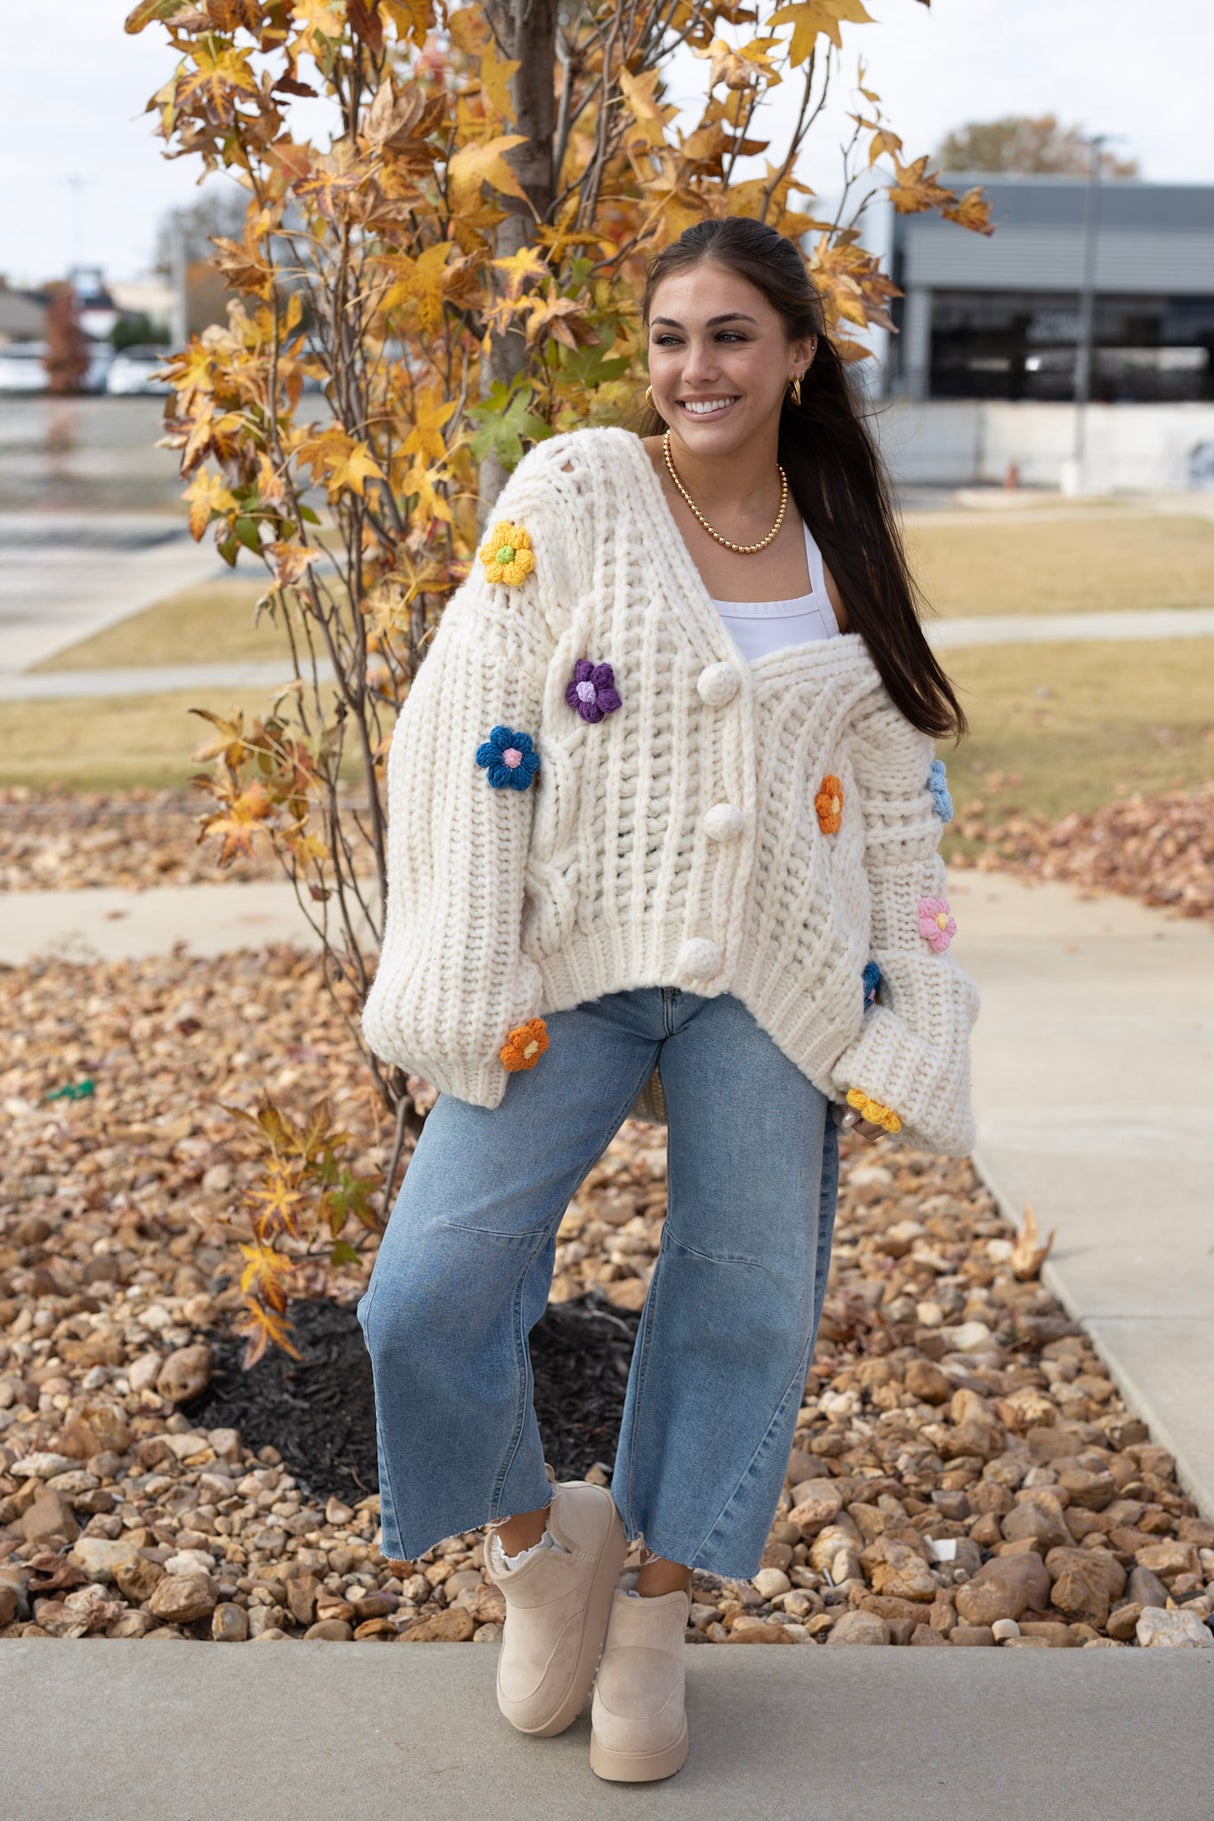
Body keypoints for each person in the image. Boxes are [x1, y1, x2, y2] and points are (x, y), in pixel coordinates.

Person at [356, 215, 980, 1782]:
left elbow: (896, 809)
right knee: (423, 1294)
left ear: (796, 355)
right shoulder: (576, 490)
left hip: (773, 982)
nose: (693, 368)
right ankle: (540, 1547)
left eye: (729, 336)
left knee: (745, 1292)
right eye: (668, 338)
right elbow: (462, 720)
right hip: (568, 964)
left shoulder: (839, 543)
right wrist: (462, 960)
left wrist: (916, 1006)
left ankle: (653, 1609)